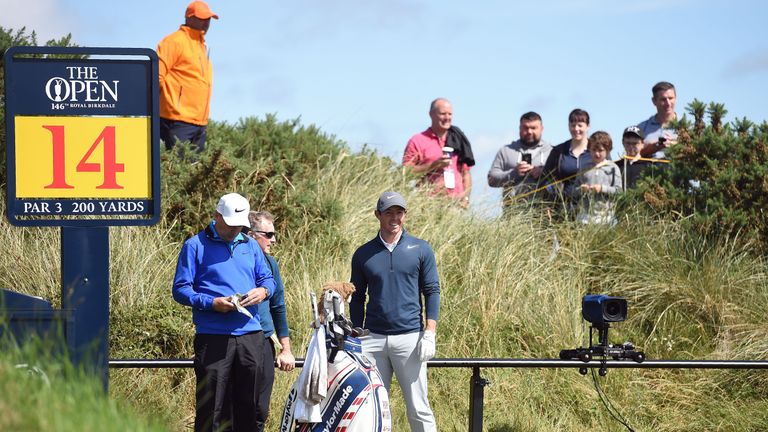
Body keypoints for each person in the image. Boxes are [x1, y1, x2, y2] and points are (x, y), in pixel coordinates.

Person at [172, 193, 276, 432]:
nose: (234, 230)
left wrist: (262, 291)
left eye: (239, 225)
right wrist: (211, 303)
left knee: (249, 408)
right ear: (217, 216)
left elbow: (267, 279)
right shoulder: (195, 245)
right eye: (230, 224)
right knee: (212, 409)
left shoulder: (250, 245)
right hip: (213, 337)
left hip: (251, 336)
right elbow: (180, 290)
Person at [350, 191, 440, 432]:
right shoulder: (363, 253)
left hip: (410, 338)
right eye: (388, 212)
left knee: (418, 408)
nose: (394, 217)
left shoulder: (420, 249)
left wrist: (429, 332)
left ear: (405, 215)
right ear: (377, 215)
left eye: (399, 212)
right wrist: (356, 335)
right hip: (372, 339)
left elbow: (432, 291)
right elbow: (357, 298)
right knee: (372, 407)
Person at [247, 210, 295, 432]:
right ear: (250, 234)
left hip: (264, 340)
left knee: (260, 409)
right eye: (268, 234)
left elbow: (278, 306)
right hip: (234, 340)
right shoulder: (233, 261)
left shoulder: (270, 263)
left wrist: (285, 349)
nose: (273, 239)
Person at [157, 1, 218, 152]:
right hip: (177, 121)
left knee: (195, 173)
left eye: (208, 19)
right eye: (202, 18)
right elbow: (156, 77)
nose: (206, 22)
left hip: (199, 123)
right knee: (179, 170)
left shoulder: (203, 46)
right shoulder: (174, 41)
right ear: (189, 18)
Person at [403, 98, 475, 207]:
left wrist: (466, 198)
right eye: (442, 114)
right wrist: (434, 165)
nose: (447, 118)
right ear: (431, 114)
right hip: (429, 204)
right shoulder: (417, 140)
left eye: (450, 114)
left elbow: (466, 173)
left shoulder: (458, 139)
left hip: (456, 204)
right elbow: (406, 172)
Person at [487, 111, 553, 208]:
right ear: (519, 128)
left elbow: (561, 180)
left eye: (533, 128)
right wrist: (514, 173)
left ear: (542, 129)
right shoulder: (506, 151)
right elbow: (491, 179)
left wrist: (543, 173)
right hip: (512, 214)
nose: (529, 131)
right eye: (526, 128)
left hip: (543, 214)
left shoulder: (551, 151)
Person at [542, 108, 593, 206]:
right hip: (564, 207)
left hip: (592, 207)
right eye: (573, 125)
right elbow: (546, 178)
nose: (576, 129)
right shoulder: (558, 151)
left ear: (588, 127)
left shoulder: (598, 150)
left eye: (580, 125)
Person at [574, 132, 622, 225]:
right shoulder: (584, 167)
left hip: (606, 218)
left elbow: (619, 191)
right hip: (585, 218)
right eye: (593, 150)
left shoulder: (613, 168)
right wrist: (581, 189)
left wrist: (602, 188)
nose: (597, 153)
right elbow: (574, 190)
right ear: (589, 149)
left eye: (600, 150)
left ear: (608, 151)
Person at [638, 81, 678, 159]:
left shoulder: (688, 128)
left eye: (671, 98)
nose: (668, 103)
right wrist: (655, 146)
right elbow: (632, 155)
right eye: (663, 99)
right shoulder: (641, 128)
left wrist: (677, 146)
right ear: (654, 101)